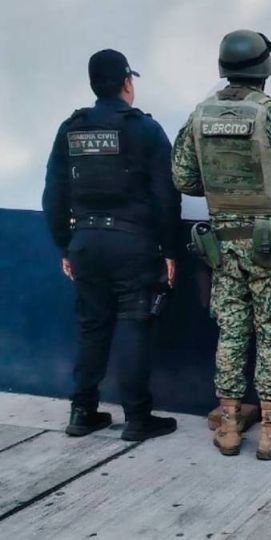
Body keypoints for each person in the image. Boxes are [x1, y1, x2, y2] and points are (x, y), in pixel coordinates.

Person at [172, 30, 271, 460]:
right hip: (269, 245)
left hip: (222, 245)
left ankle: (229, 424)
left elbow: (183, 178)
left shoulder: (199, 115)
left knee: (232, 331)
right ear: (265, 69)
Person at [42, 49, 181, 442]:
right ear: (126, 83)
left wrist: (65, 246)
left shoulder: (71, 128)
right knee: (134, 324)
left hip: (85, 242)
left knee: (92, 327)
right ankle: (137, 419)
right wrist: (169, 250)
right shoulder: (145, 129)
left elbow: (53, 194)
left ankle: (82, 412)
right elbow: (166, 195)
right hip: (133, 244)